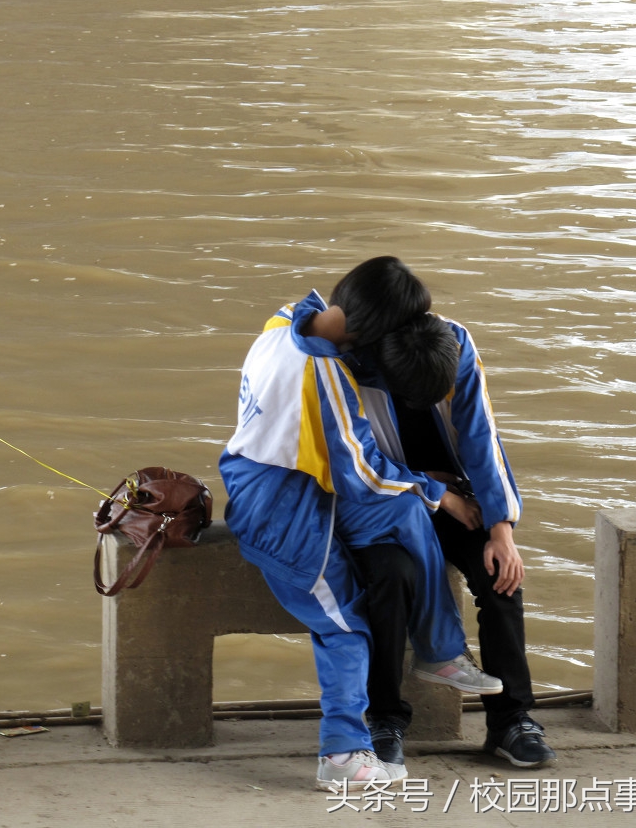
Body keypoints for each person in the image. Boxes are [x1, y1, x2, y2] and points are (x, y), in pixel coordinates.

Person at [219, 257, 501, 792]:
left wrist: (425, 496)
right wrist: (439, 491)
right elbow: (365, 473)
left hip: (288, 476)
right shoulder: (322, 376)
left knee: (406, 509)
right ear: (368, 332)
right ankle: (342, 754)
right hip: (281, 508)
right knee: (344, 623)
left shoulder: (288, 318)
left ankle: (440, 651)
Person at [348, 310, 558, 770]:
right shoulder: (349, 363)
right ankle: (383, 719)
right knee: (391, 579)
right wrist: (434, 490)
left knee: (500, 575)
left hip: (459, 496)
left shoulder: (455, 344)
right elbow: (355, 460)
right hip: (386, 500)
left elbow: (482, 437)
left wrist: (501, 529)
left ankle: (511, 719)